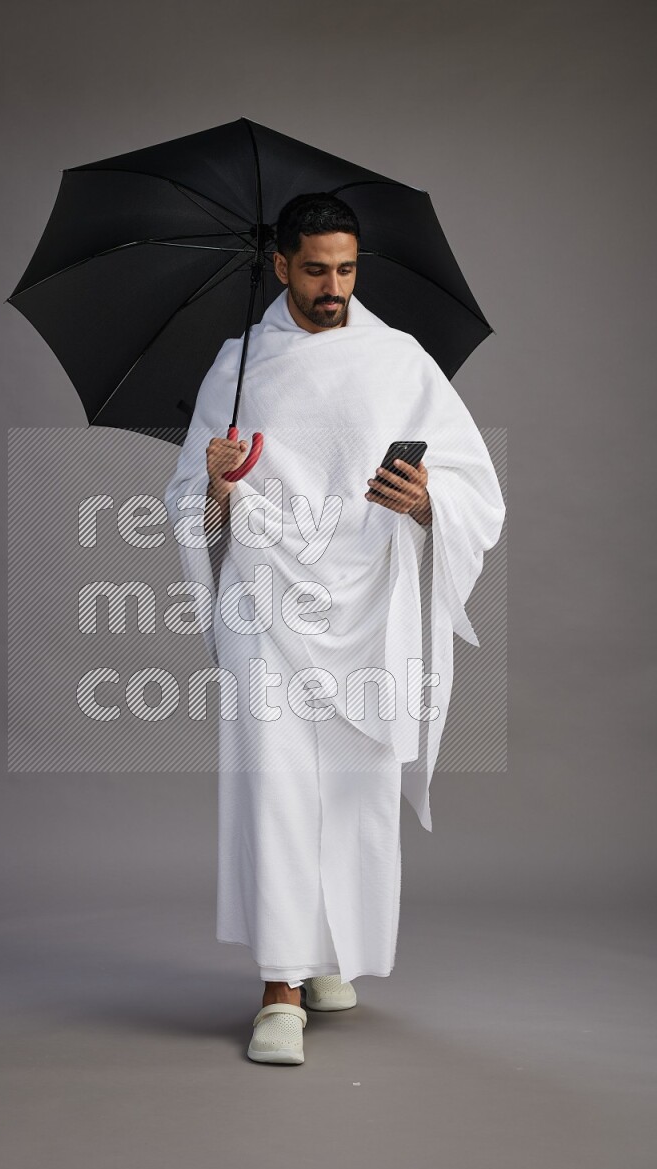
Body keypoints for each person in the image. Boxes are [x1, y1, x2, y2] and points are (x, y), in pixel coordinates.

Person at [163, 193, 505, 1065]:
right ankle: (280, 985)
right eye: (315, 268)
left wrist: (429, 503)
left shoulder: (400, 361)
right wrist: (215, 485)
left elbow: (476, 487)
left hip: (366, 603)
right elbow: (189, 507)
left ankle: (326, 955)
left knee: (354, 786)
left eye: (346, 269)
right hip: (266, 602)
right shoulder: (239, 366)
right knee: (276, 782)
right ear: (280, 265)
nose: (332, 287)